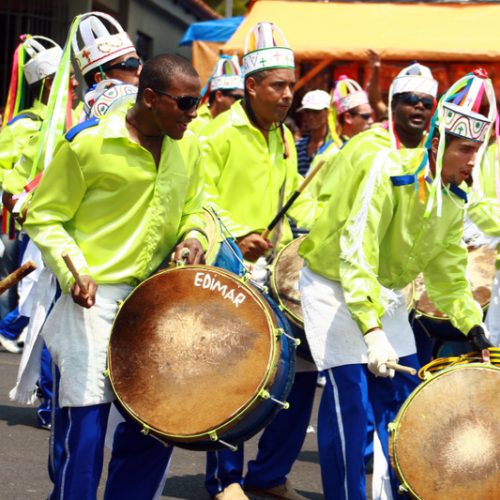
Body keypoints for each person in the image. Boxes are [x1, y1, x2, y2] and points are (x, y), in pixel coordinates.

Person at [298, 70, 495, 500]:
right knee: (349, 401)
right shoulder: (387, 169)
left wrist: (471, 326)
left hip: (382, 292)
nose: (471, 162)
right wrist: (371, 331)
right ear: (438, 144)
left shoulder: (452, 197)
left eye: (477, 152)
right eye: (464, 150)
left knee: (405, 405)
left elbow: (447, 276)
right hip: (333, 285)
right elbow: (356, 255)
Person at [22, 53, 207, 500]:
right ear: (149, 97)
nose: (195, 112)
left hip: (156, 302)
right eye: (184, 103)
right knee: (84, 433)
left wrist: (196, 234)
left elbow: (198, 206)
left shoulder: (190, 146)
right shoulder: (88, 144)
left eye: (196, 101)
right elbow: (45, 216)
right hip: (94, 299)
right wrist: (76, 274)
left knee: (155, 429)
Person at [201, 21, 321, 500]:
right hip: (229, 270)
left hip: (274, 272)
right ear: (251, 86)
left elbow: (296, 204)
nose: (288, 94)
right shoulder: (218, 134)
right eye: (278, 85)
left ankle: (268, 476)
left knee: (303, 376)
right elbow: (200, 198)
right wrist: (236, 235)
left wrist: (321, 227)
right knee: (234, 377)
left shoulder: (285, 138)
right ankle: (226, 478)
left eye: (291, 85)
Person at [0, 35, 65, 353]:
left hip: (54, 216)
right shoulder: (23, 124)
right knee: (30, 285)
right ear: (50, 83)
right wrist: (19, 196)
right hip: (24, 218)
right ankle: (8, 327)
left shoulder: (69, 119)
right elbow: (4, 171)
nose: (73, 88)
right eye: (67, 82)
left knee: (39, 287)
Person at [315, 62, 438, 205]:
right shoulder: (363, 145)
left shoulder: (435, 153)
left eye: (427, 103)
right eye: (410, 100)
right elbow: (330, 202)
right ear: (393, 105)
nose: (419, 106)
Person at [307, 76, 373, 199]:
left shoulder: (368, 146)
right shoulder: (331, 153)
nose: (371, 121)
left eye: (371, 115)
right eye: (365, 116)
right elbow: (310, 194)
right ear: (348, 117)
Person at [189, 55, 244, 136]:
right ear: (219, 96)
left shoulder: (239, 121)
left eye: (243, 99)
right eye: (237, 98)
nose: (240, 103)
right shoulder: (195, 122)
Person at [295, 89, 331, 176]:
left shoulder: (334, 147)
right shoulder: (298, 146)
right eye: (307, 112)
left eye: (316, 112)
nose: (310, 117)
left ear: (327, 113)